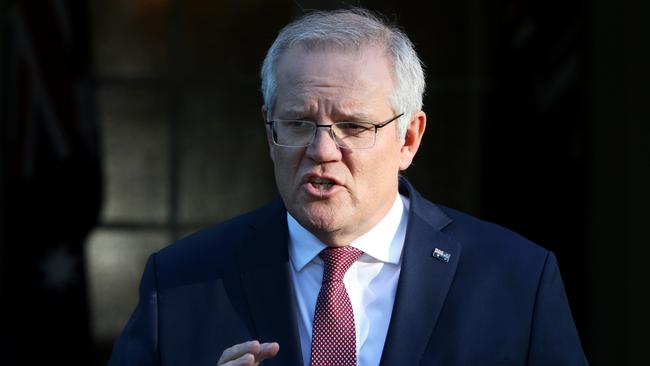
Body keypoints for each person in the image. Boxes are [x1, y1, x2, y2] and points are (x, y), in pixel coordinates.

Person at [109, 8, 588, 366]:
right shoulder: (178, 283)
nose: (322, 150)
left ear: (409, 138)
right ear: (269, 132)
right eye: (297, 123)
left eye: (353, 127)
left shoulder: (517, 279)